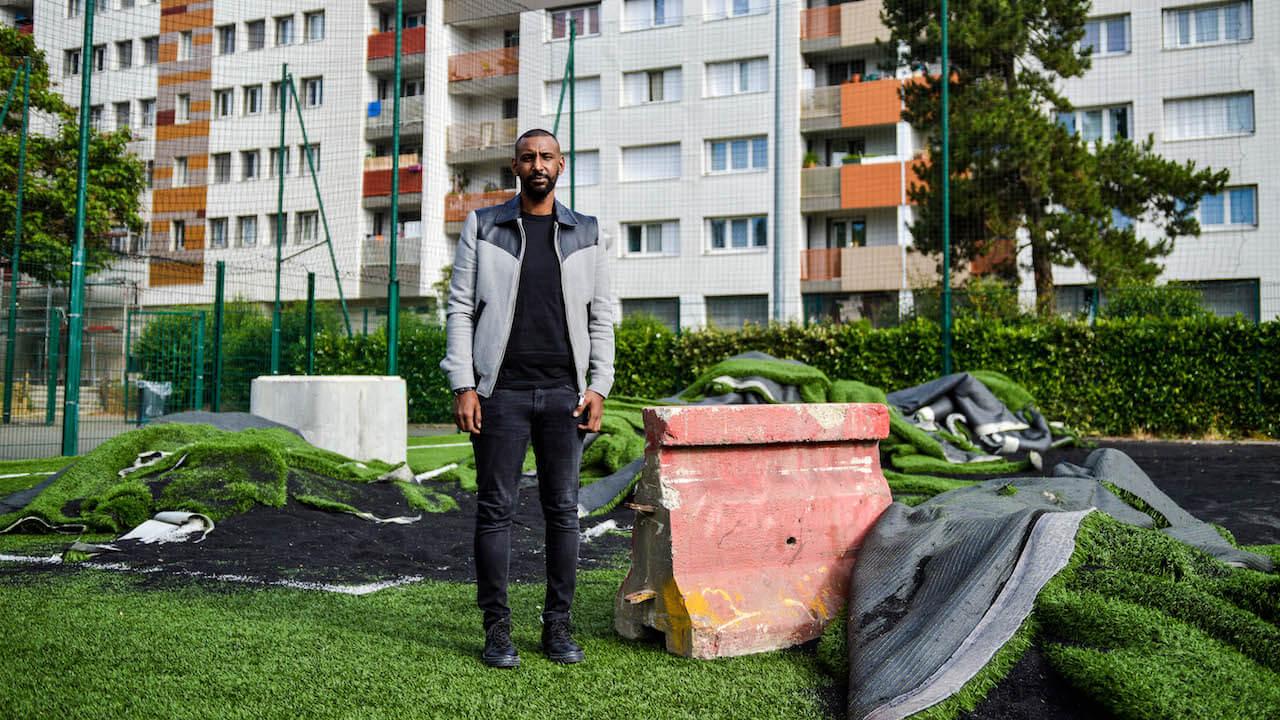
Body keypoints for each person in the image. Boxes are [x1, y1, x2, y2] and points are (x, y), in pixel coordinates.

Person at [440, 128, 614, 669]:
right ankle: (497, 629)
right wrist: (464, 384)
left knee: (563, 512)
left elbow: (601, 315)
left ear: (562, 165)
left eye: (547, 156)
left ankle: (557, 626)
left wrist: (598, 387)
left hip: (565, 394)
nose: (537, 164)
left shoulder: (587, 232)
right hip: (501, 393)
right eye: (527, 157)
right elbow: (461, 308)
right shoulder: (484, 225)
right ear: (514, 167)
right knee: (495, 510)